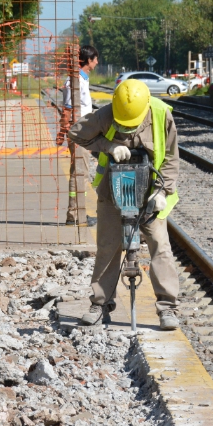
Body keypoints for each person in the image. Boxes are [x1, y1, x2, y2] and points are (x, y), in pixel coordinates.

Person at [67, 79, 181, 330]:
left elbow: (172, 158)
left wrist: (162, 191)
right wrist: (108, 146)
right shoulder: (107, 114)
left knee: (160, 246)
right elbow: (75, 133)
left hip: (151, 190)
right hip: (113, 190)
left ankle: (167, 307)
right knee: (108, 247)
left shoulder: (162, 115)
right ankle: (100, 303)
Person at [58, 45, 98, 226]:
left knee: (80, 170)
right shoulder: (75, 81)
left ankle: (75, 212)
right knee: (80, 171)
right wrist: (63, 130)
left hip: (84, 130)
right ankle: (75, 213)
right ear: (89, 60)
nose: (97, 63)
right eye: (95, 59)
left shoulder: (81, 79)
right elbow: (67, 109)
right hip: (78, 131)